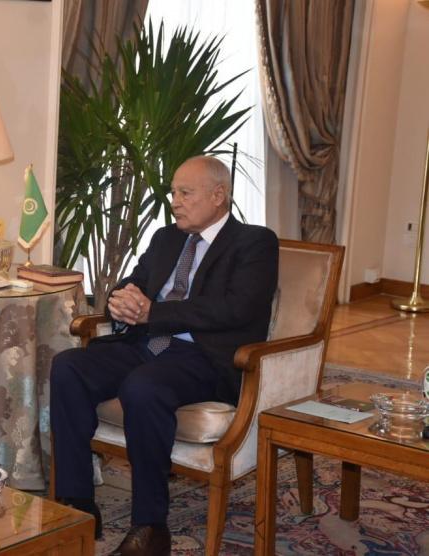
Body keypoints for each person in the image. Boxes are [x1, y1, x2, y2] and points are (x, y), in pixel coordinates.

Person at [50, 156, 278, 556]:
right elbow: (134, 282)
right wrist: (121, 300)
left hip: (203, 356)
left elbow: (236, 308)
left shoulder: (254, 242)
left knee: (143, 388)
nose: (175, 202)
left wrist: (153, 313)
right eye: (173, 192)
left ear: (218, 195)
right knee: (68, 366)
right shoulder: (166, 238)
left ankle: (150, 527)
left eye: (185, 193)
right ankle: (77, 503)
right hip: (146, 344)